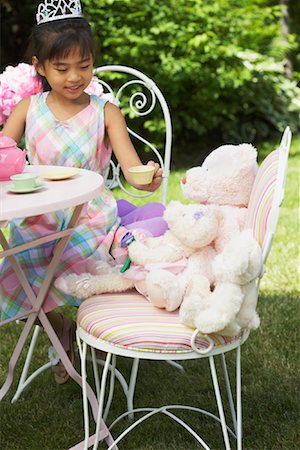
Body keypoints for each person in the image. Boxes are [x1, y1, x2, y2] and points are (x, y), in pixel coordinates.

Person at [0, 0, 167, 383]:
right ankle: (60, 328)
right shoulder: (29, 108)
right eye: (62, 68)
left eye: (84, 65)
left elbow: (132, 168)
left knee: (54, 272)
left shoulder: (105, 111)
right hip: (36, 216)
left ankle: (87, 334)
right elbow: (3, 155)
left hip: (86, 220)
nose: (75, 76)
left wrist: (148, 177)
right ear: (40, 66)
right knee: (11, 284)